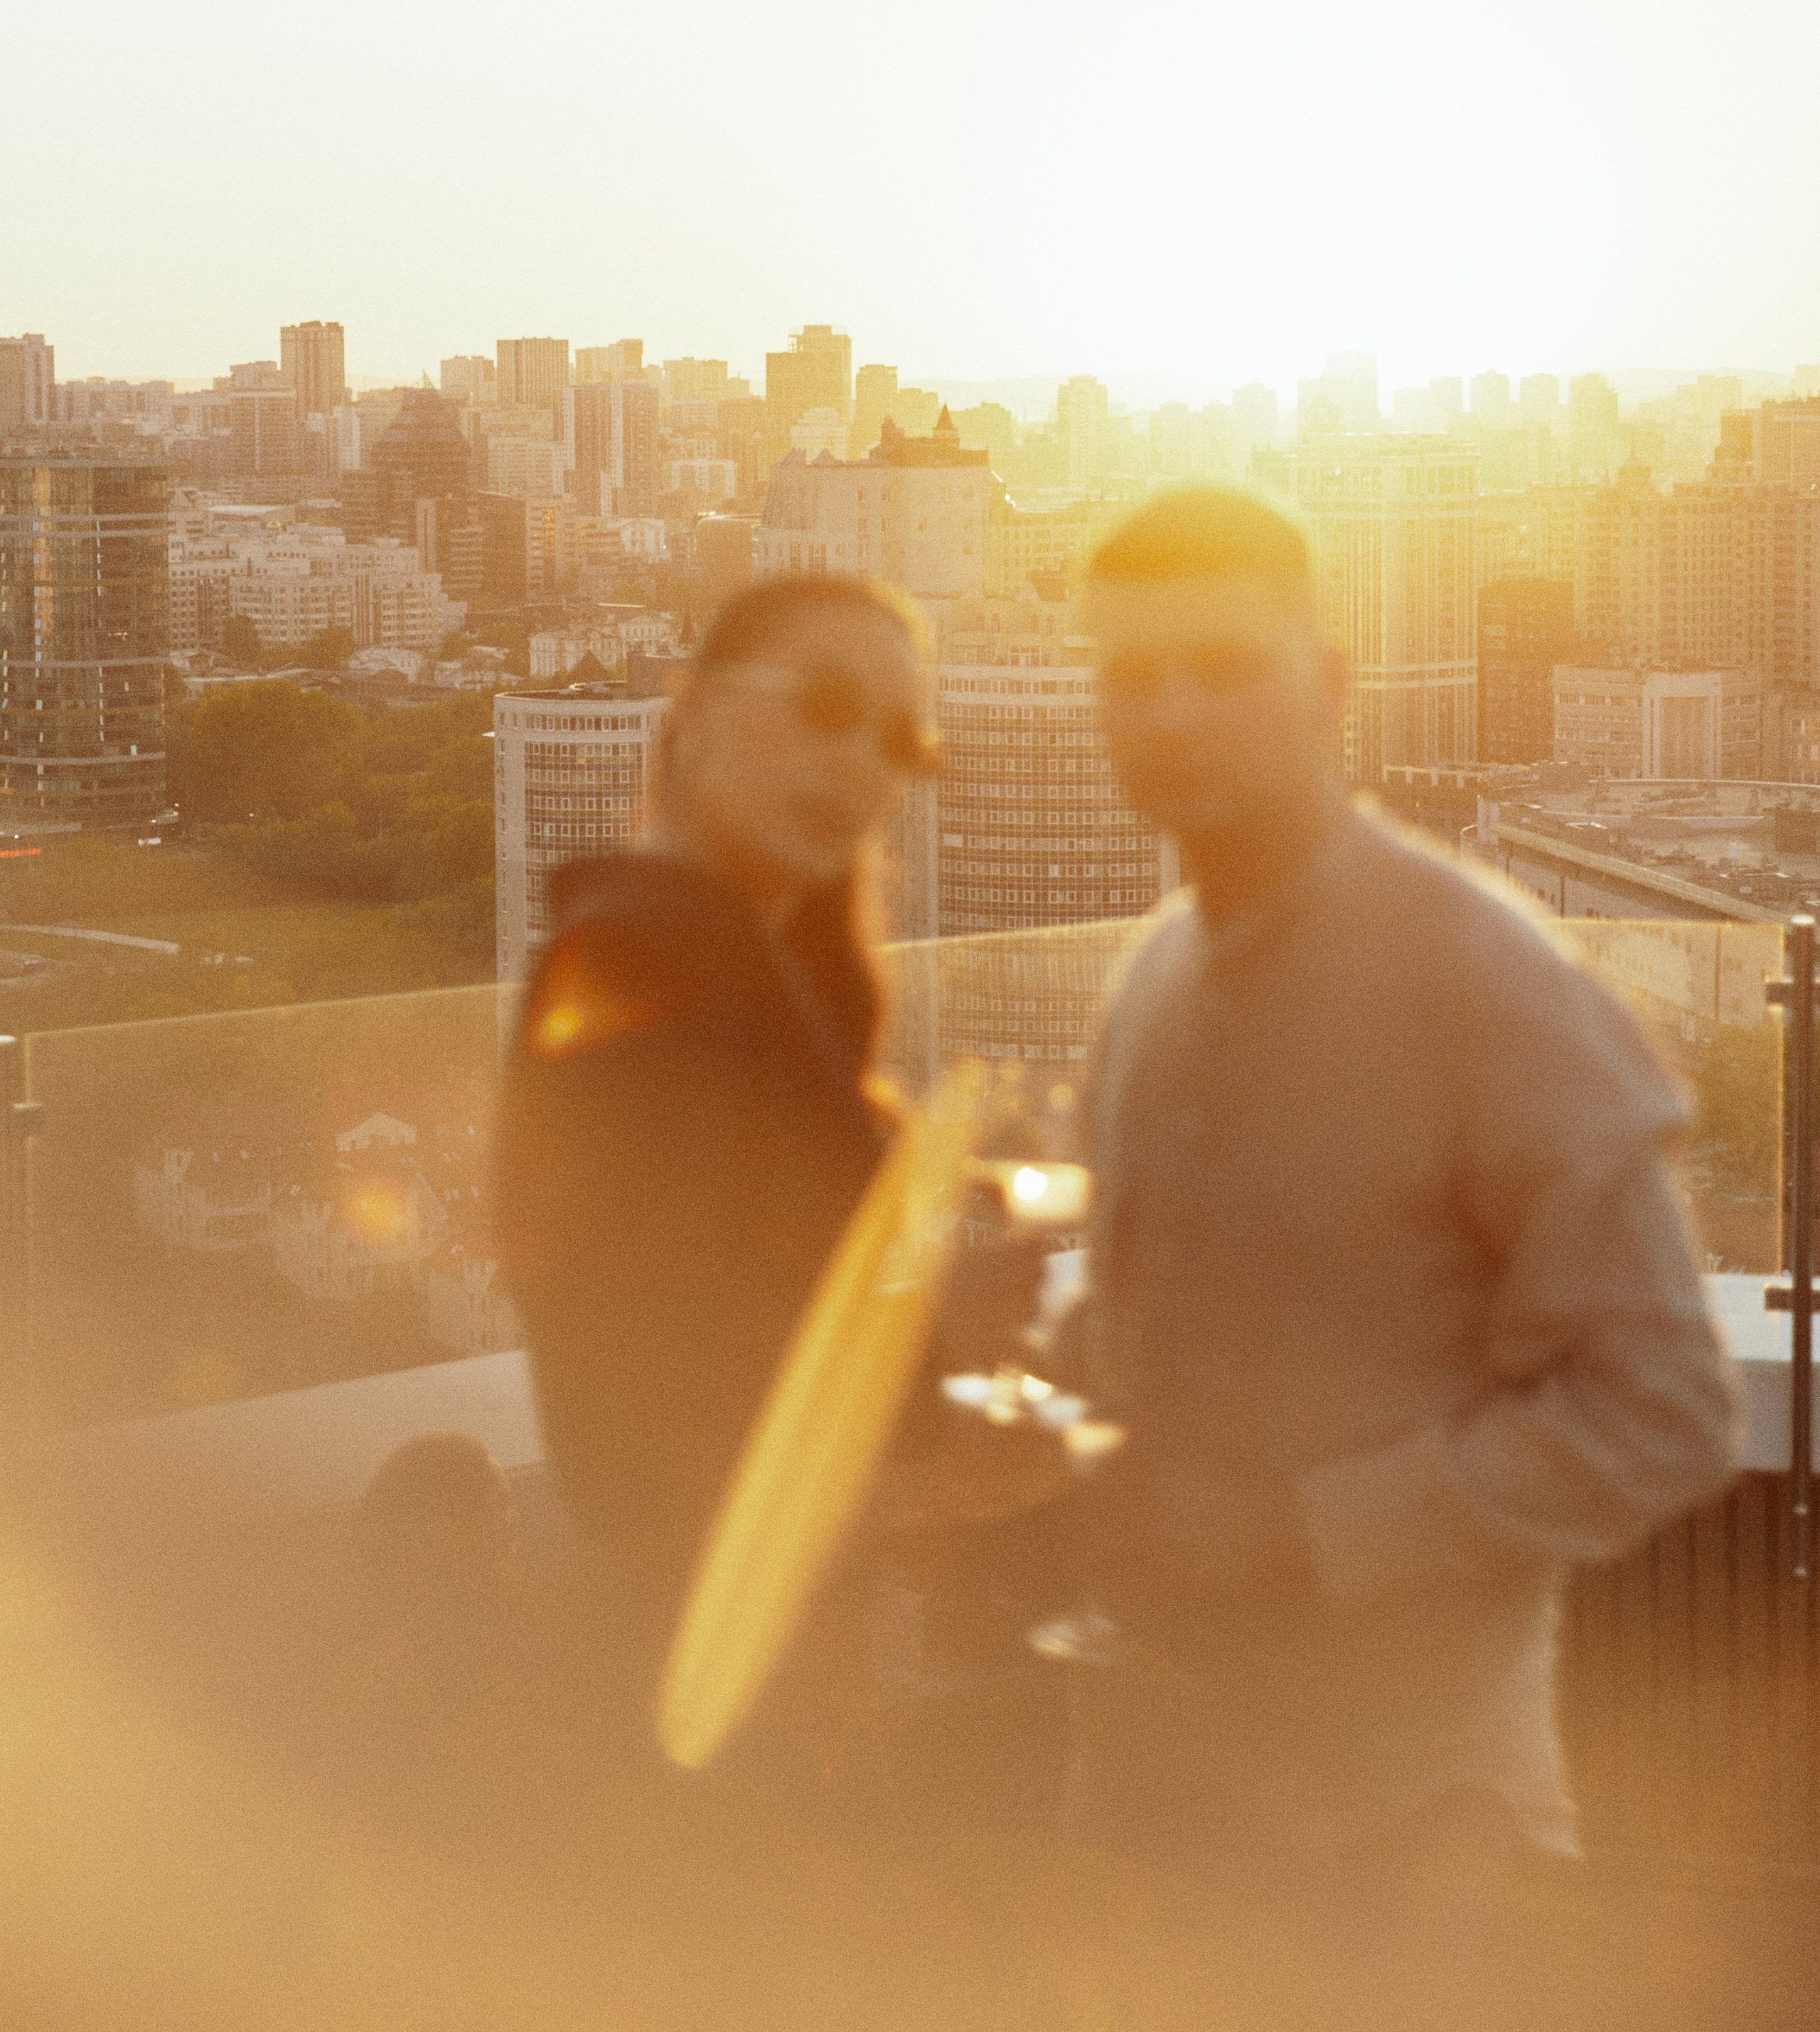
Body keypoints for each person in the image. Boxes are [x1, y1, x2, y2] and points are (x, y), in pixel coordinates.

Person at [1054, 488, 1740, 2021]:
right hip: (1159, 1815)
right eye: (1128, 674)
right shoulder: (1152, 977)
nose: (1167, 710)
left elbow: (1665, 1403)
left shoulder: (1484, 981)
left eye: (1220, 665)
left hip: (1405, 1845)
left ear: (1330, 684)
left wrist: (1297, 1533)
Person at [491, 574, 940, 1801]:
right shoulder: (668, 964)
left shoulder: (712, 963)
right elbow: (685, 1423)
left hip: (719, 1687)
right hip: (722, 1722)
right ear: (683, 710)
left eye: (900, 737)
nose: (859, 761)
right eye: (826, 702)